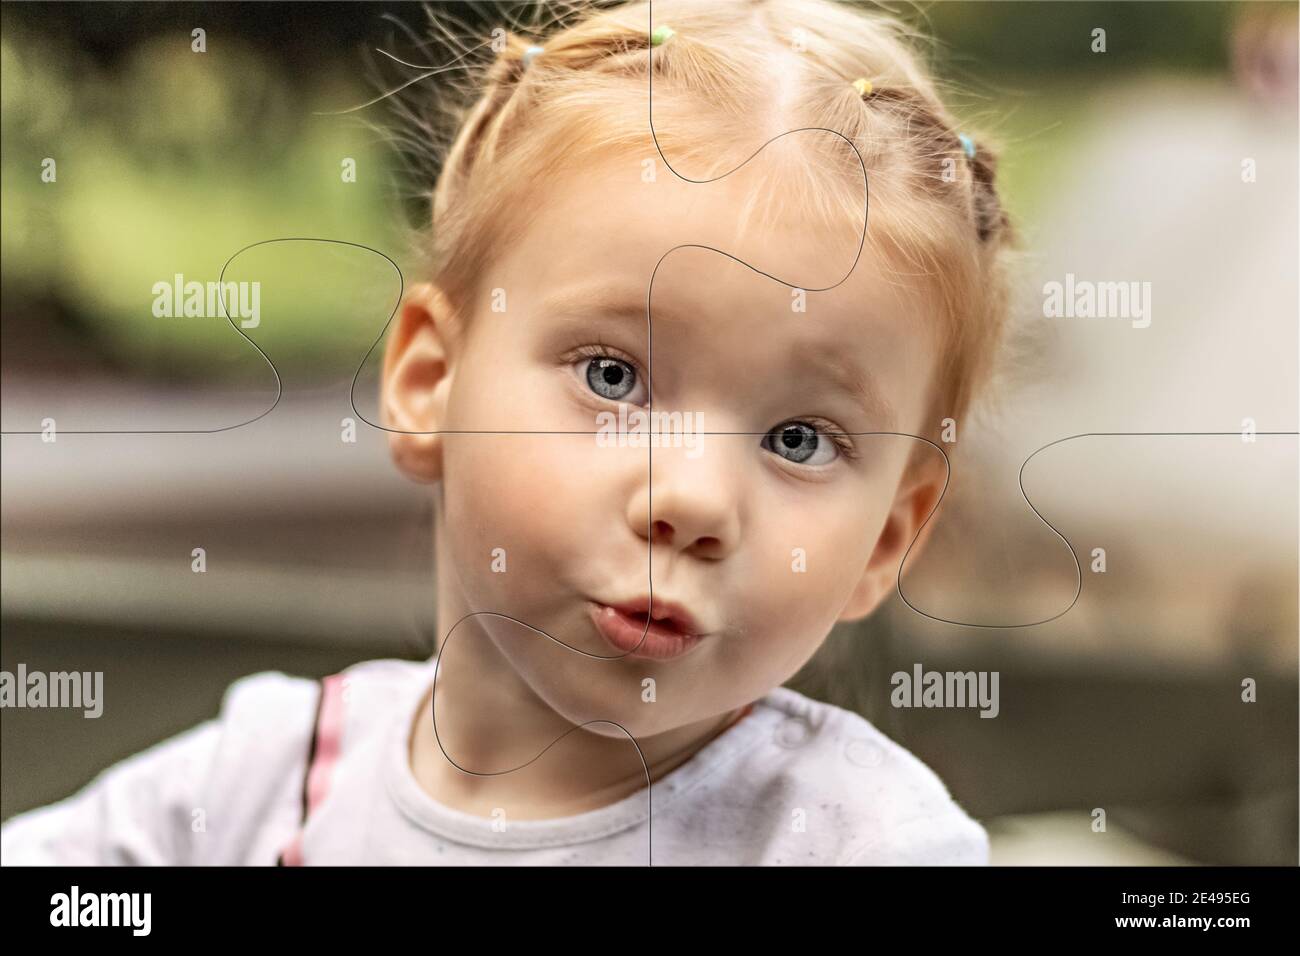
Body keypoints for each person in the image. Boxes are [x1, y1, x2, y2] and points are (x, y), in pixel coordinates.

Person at [2, 0, 1014, 865]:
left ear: (885, 537)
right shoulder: (256, 785)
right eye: (613, 376)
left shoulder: (853, 842)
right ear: (430, 381)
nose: (693, 499)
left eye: (799, 438)